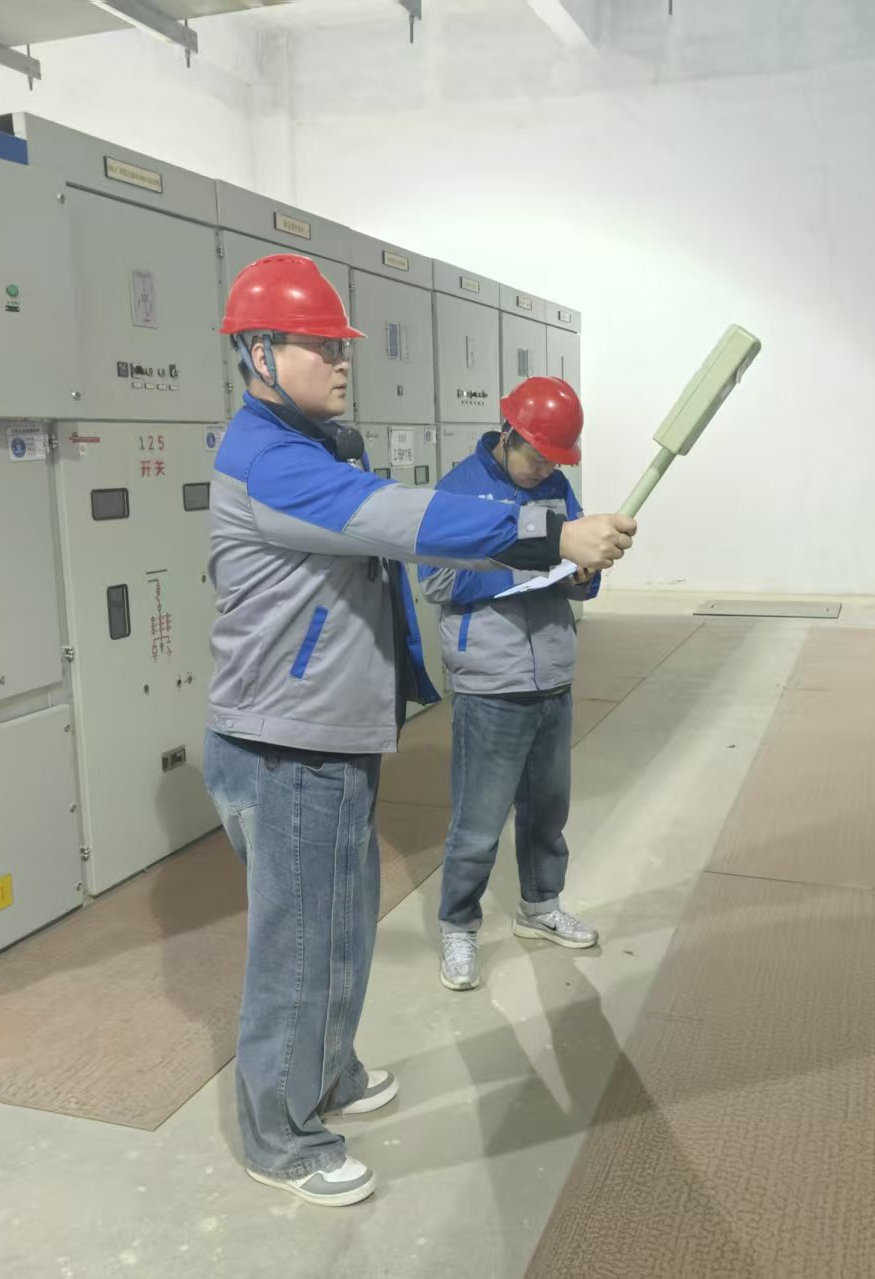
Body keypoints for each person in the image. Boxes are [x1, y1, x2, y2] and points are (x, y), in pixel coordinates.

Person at [203, 254, 636, 1209]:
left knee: (340, 924)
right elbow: (400, 518)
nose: (341, 361)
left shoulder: (311, 445)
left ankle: (326, 1073)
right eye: (320, 346)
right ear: (259, 353)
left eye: (341, 346)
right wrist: (549, 535)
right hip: (287, 744)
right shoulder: (271, 460)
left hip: (329, 735)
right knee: (299, 945)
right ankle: (281, 1134)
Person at [417, 377, 601, 993]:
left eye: (556, 461)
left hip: (552, 674)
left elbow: (580, 570)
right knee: (477, 823)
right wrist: (529, 565)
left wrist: (580, 575)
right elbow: (438, 583)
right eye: (538, 457)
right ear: (508, 435)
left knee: (548, 812)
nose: (546, 469)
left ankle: (540, 906)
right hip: (490, 683)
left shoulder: (555, 488)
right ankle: (458, 925)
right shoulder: (458, 492)